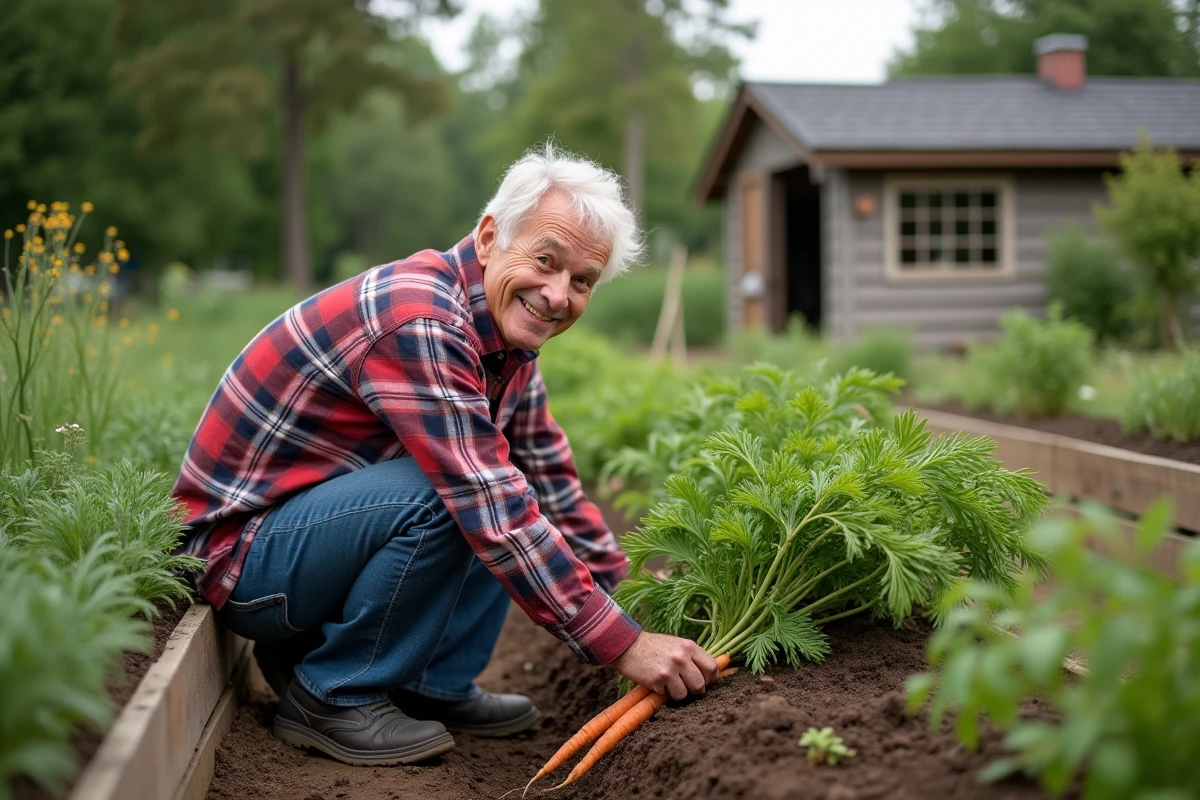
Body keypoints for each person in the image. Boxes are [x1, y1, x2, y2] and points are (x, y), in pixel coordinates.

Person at [172, 143, 721, 767]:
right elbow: (488, 500)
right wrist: (622, 646)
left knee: (510, 479)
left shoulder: (503, 340)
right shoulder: (422, 318)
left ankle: (428, 685)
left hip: (303, 544)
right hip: (242, 562)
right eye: (546, 260)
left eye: (582, 281)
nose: (558, 294)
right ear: (490, 237)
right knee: (460, 493)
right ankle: (334, 693)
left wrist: (632, 600)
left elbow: (547, 473)